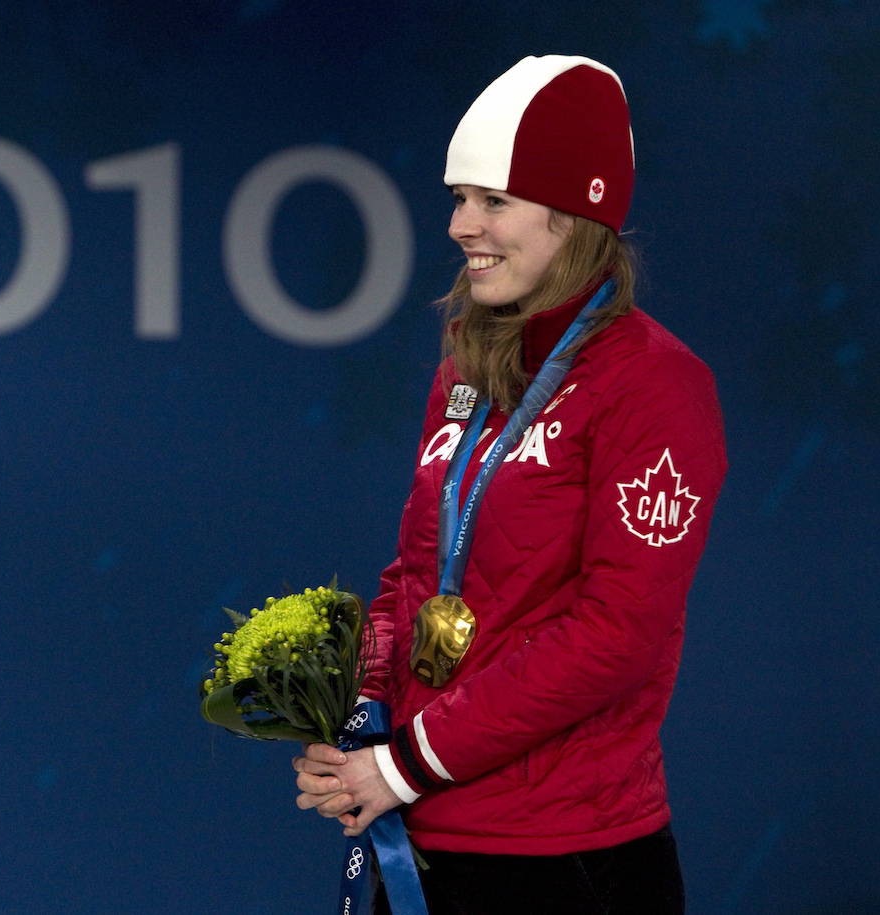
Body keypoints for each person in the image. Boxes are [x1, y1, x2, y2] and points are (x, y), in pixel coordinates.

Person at [291, 55, 727, 914]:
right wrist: (361, 723)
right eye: (460, 197)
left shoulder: (656, 384)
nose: (461, 225)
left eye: (494, 200)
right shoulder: (469, 363)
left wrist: (404, 762)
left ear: (578, 213)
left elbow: (618, 632)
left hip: (568, 859)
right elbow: (415, 575)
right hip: (422, 835)